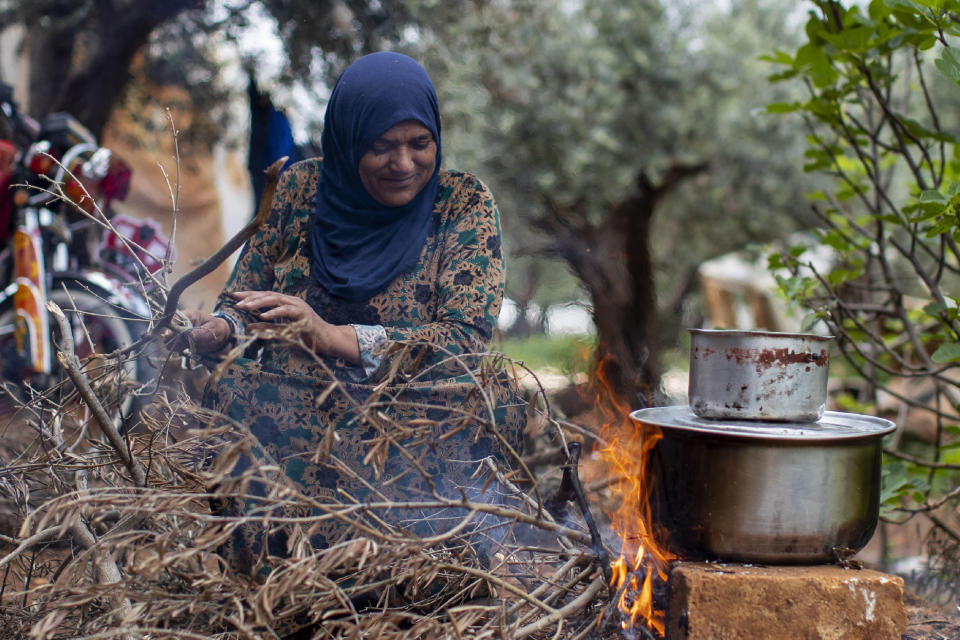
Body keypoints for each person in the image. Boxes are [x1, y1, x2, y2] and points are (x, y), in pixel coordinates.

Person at [174, 52, 526, 573]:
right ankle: (265, 585)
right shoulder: (298, 191)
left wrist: (331, 336)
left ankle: (412, 577)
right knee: (234, 392)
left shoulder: (460, 204)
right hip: (287, 420)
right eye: (380, 146)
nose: (403, 164)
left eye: (419, 143)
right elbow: (245, 300)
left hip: (408, 434)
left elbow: (462, 345)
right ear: (346, 140)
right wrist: (220, 328)